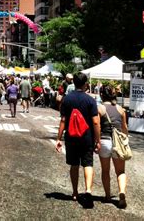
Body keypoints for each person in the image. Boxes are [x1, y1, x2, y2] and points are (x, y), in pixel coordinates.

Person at [55, 73, 101, 208]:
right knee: (88, 164)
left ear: (73, 83)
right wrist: (97, 140)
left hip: (71, 137)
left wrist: (59, 138)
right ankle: (88, 191)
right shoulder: (90, 100)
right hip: (87, 137)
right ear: (85, 84)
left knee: (74, 165)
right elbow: (96, 122)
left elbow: (63, 120)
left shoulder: (67, 99)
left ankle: (75, 192)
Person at [98, 85, 128, 209]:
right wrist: (125, 140)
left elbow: (97, 126)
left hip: (104, 141)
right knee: (120, 171)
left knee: (105, 171)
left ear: (101, 94)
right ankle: (122, 192)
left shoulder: (99, 108)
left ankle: (107, 196)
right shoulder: (121, 109)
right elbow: (125, 128)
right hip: (118, 143)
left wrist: (96, 141)